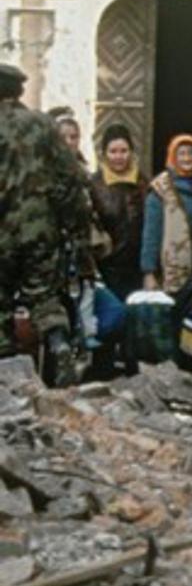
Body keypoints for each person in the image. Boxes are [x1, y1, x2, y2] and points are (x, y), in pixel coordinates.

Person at [0, 64, 93, 386]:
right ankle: (59, 344)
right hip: (41, 230)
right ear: (18, 91)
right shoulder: (43, 125)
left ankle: (9, 380)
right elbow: (72, 178)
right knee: (44, 299)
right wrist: (73, 226)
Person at [141, 135, 192, 296]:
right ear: (173, 156)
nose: (187, 158)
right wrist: (149, 272)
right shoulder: (160, 189)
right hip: (176, 267)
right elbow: (151, 233)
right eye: (181, 153)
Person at [89, 124, 149, 301]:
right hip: (106, 268)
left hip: (138, 268)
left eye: (123, 151)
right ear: (104, 153)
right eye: (113, 151)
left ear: (131, 152)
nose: (118, 157)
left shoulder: (145, 183)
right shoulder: (93, 185)